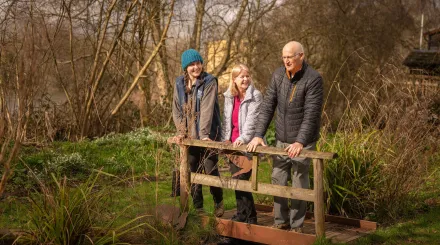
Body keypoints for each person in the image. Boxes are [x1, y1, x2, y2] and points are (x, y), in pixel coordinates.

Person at [247, 41, 323, 232]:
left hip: (303, 143)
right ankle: (281, 222)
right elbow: (267, 107)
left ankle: (297, 226)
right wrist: (258, 135)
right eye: (283, 57)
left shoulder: (313, 79)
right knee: (277, 178)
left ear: (301, 56)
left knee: (299, 183)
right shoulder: (278, 75)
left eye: (290, 57)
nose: (286, 60)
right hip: (281, 140)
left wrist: (300, 141)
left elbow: (311, 114)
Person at [172, 49, 224, 217]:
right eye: (192, 65)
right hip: (188, 137)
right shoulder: (179, 83)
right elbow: (177, 110)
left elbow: (207, 110)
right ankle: (199, 208)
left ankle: (218, 202)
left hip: (208, 134)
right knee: (192, 170)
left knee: (210, 168)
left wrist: (203, 135)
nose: (196, 67)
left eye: (198, 63)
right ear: (185, 67)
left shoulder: (209, 81)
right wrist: (182, 132)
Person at [222, 64, 262, 224]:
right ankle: (241, 214)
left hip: (247, 145)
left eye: (247, 76)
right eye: (241, 76)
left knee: (243, 180)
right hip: (233, 145)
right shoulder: (229, 96)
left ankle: (251, 217)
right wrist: (226, 139)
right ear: (234, 80)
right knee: (236, 181)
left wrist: (243, 138)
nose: (245, 79)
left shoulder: (255, 96)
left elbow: (252, 121)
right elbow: (226, 119)